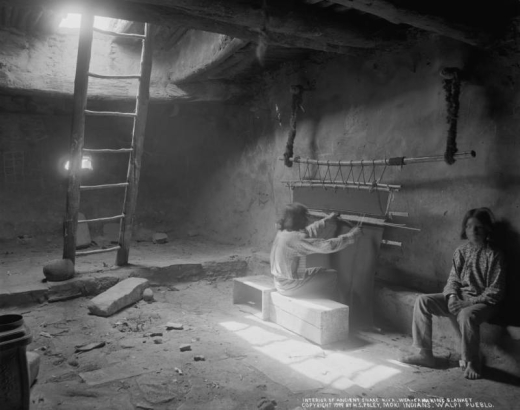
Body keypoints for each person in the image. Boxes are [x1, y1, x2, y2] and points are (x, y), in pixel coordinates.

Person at [401, 207, 506, 380]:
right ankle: (425, 353)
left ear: (487, 228)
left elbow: (495, 291)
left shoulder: (494, 255)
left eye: (479, 226)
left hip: (484, 304)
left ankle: (472, 361)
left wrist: (468, 303)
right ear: (465, 230)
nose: (474, 230)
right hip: (460, 298)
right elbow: (453, 280)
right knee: (422, 301)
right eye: (469, 226)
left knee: (466, 314)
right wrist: (451, 297)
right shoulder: (461, 251)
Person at [270, 202, 362, 302]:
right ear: (298, 219)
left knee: (324, 271)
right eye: (304, 217)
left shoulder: (283, 232)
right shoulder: (295, 239)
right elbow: (327, 246)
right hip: (290, 286)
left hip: (280, 282)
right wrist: (351, 236)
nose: (306, 220)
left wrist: (327, 220)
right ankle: (329, 305)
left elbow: (308, 231)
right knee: (332, 276)